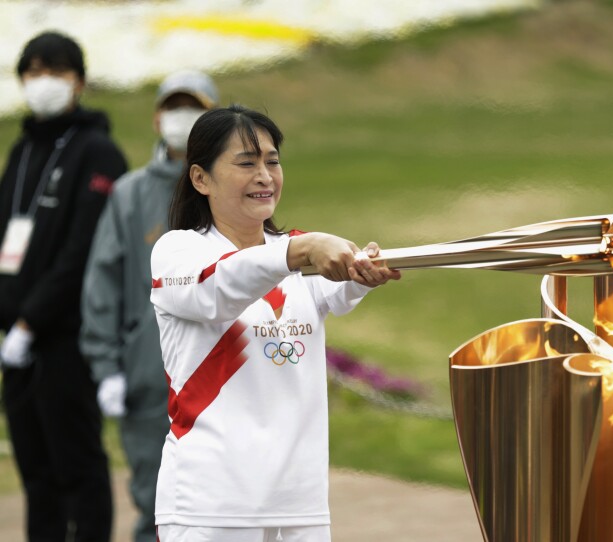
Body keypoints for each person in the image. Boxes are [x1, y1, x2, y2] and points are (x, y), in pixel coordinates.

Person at [150, 104, 400, 541]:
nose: (265, 175)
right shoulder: (179, 253)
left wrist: (364, 274)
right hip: (213, 506)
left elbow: (335, 293)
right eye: (246, 163)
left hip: (299, 505)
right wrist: (299, 252)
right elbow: (218, 288)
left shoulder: (294, 252)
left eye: (273, 161)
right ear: (200, 178)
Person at [80, 70, 219, 542]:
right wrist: (107, 368)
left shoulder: (229, 190)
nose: (184, 119)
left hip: (219, 375)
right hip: (147, 376)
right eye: (175, 108)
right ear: (158, 119)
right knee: (156, 506)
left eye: (195, 108)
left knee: (219, 507)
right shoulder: (130, 193)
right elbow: (103, 280)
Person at [0, 31, 128, 541]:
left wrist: (31, 321)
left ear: (79, 81)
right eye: (32, 72)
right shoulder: (22, 149)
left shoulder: (98, 152)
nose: (42, 82)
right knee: (35, 469)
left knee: (77, 464)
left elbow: (82, 253)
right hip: (15, 340)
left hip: (65, 337)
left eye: (54, 71)